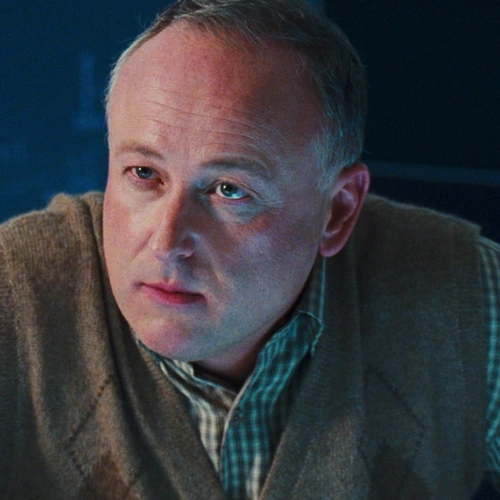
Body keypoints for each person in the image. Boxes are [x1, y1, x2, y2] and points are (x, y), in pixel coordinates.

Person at [0, 0, 499, 498]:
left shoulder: (467, 303)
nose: (166, 243)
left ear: (337, 210)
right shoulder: (14, 295)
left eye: (229, 190)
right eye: (144, 173)